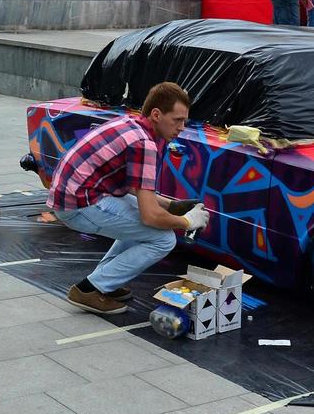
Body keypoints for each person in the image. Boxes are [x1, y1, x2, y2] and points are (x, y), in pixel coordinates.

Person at [49, 82, 209, 314]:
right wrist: (187, 222)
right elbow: (150, 216)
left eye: (185, 120)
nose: (182, 127)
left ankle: (103, 284)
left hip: (79, 195)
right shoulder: (144, 143)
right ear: (156, 114)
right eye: (177, 120)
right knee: (163, 239)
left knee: (144, 227)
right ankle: (89, 289)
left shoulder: (132, 125)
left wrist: (172, 206)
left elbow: (133, 186)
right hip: (78, 205)